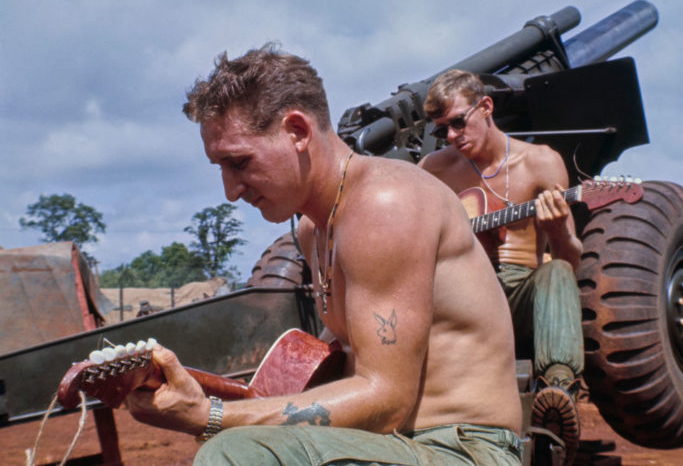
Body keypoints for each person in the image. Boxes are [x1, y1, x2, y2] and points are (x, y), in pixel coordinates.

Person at [125, 45, 523, 465]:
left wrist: (210, 416)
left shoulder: (385, 202)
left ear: (297, 130)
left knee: (236, 451)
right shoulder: (315, 230)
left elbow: (386, 399)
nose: (231, 190)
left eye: (238, 162)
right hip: (395, 445)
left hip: (461, 449)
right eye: (219, 167)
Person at [419, 69, 585, 465]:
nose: (453, 137)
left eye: (459, 122)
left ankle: (558, 394)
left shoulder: (541, 163)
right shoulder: (433, 170)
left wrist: (559, 229)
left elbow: (570, 260)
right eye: (443, 131)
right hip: (463, 296)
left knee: (557, 273)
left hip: (521, 290)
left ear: (486, 106)